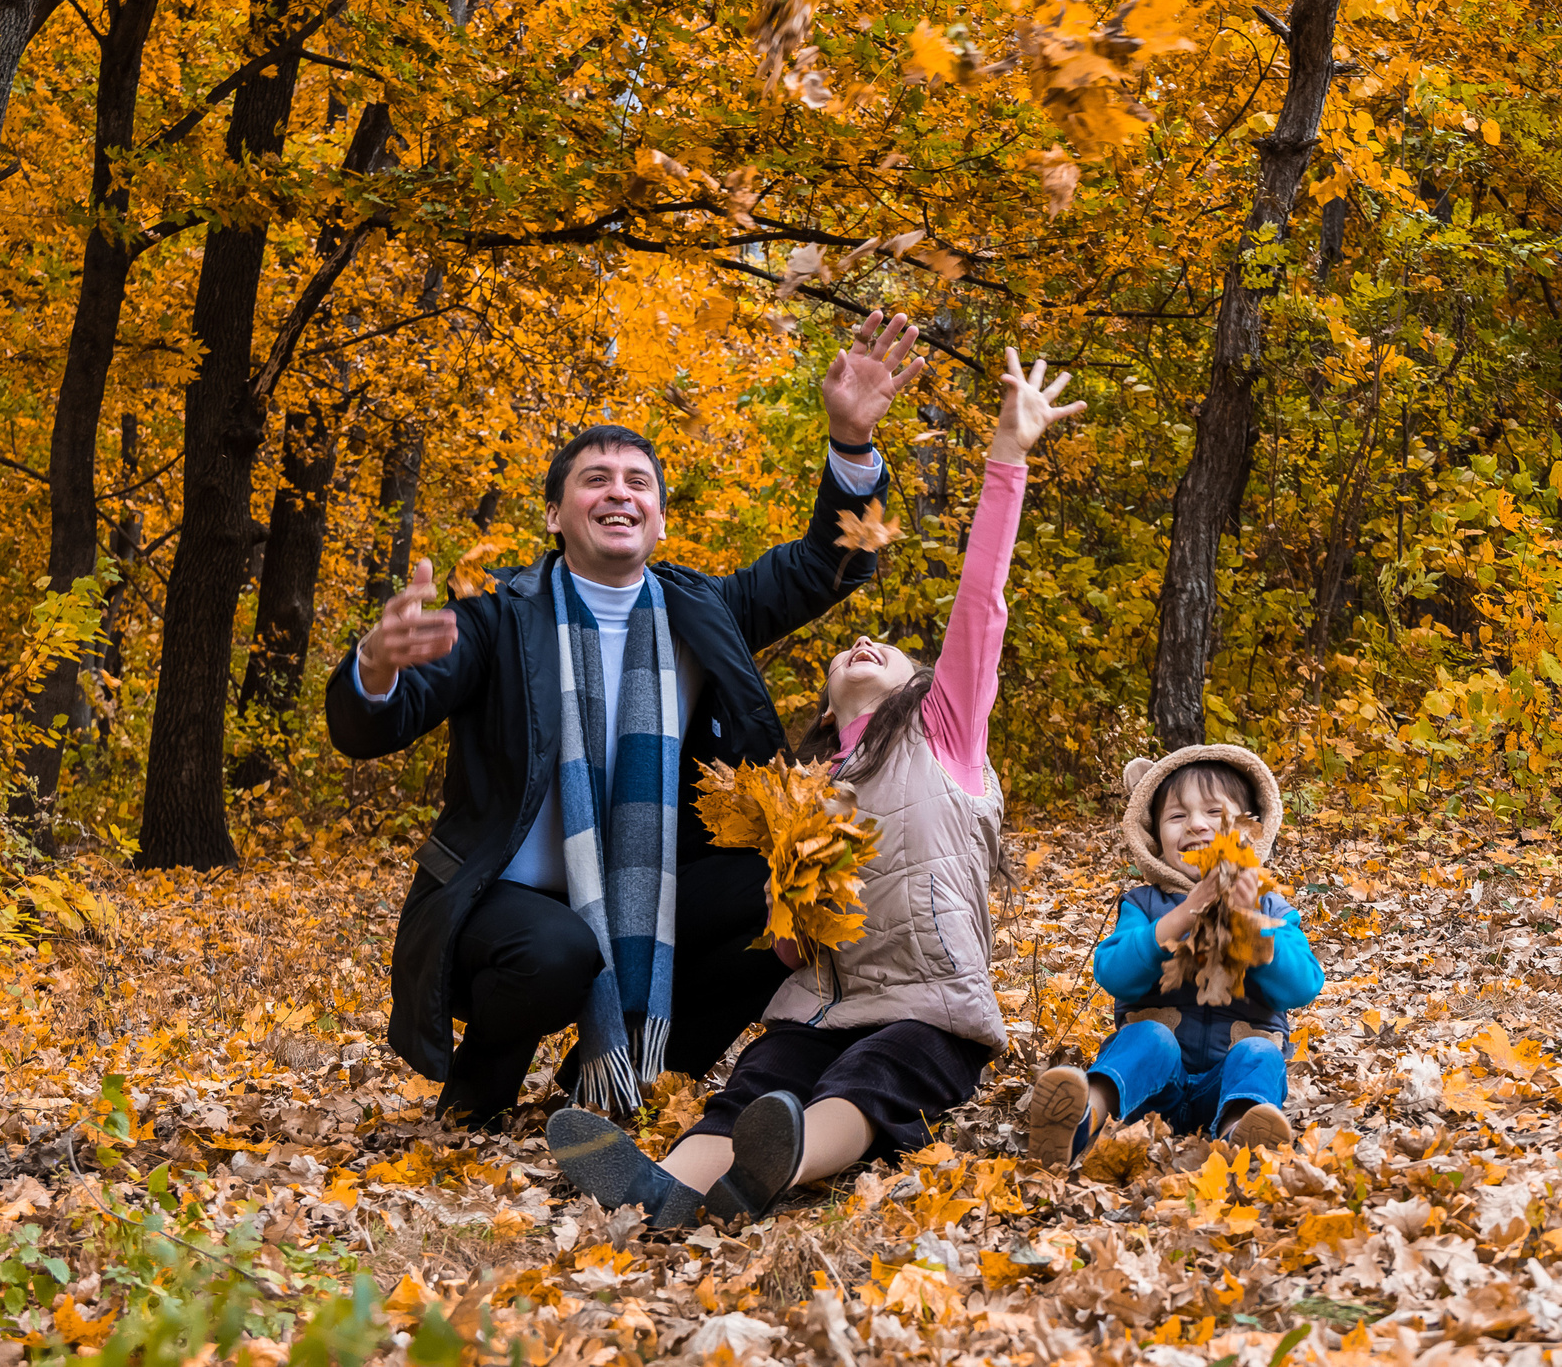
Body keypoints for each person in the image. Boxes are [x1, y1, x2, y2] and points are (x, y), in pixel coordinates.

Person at [324, 312, 927, 1127]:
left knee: (787, 898)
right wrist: (375, 666)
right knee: (557, 953)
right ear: (555, 515)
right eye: (596, 478)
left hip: (658, 885)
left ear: (660, 519)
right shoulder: (500, 618)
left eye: (638, 481)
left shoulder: (702, 610)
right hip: (509, 904)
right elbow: (373, 727)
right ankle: (482, 1082)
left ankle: (600, 1091)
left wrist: (852, 443)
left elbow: (836, 562)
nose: (619, 491)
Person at [547, 348, 1083, 1227]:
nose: (864, 640)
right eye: (847, 648)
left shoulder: (944, 735)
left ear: (922, 682)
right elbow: (792, 952)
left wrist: (1007, 456)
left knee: (868, 1085)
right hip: (819, 1006)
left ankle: (782, 1163)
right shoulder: (801, 789)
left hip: (928, 1007)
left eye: (888, 646)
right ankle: (665, 1189)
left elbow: (980, 603)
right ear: (824, 703)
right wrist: (790, 897)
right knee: (757, 1082)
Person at [1025, 744, 1323, 1164]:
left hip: (1225, 1088)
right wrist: (1182, 916)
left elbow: (1302, 985)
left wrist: (1248, 925)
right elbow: (1114, 972)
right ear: (1153, 835)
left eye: (1215, 814)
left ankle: (1244, 1133)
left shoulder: (1270, 908)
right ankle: (1080, 1118)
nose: (1196, 826)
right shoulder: (1145, 905)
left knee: (1259, 1054)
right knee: (1150, 1037)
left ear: (1249, 830)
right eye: (1177, 816)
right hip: (1149, 1091)